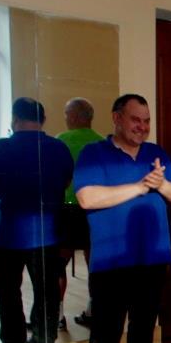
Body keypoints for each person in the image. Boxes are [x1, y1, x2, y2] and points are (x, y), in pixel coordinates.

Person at [75, 94, 171, 343]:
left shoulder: (156, 154)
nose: (142, 126)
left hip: (153, 258)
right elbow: (87, 198)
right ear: (117, 118)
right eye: (136, 119)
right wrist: (139, 187)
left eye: (146, 120)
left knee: (143, 327)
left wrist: (161, 184)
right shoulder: (93, 153)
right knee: (105, 330)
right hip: (111, 259)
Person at [0, 98, 73, 343]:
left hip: (8, 234)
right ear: (43, 120)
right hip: (47, 233)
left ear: (15, 119)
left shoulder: (1, 147)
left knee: (8, 290)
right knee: (47, 290)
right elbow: (66, 181)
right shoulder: (58, 148)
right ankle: (44, 339)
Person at [56, 98, 104, 330]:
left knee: (59, 262)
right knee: (94, 261)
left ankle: (57, 316)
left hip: (67, 207)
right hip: (96, 209)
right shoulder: (102, 143)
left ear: (74, 116)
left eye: (67, 114)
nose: (65, 118)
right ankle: (93, 310)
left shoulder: (61, 141)